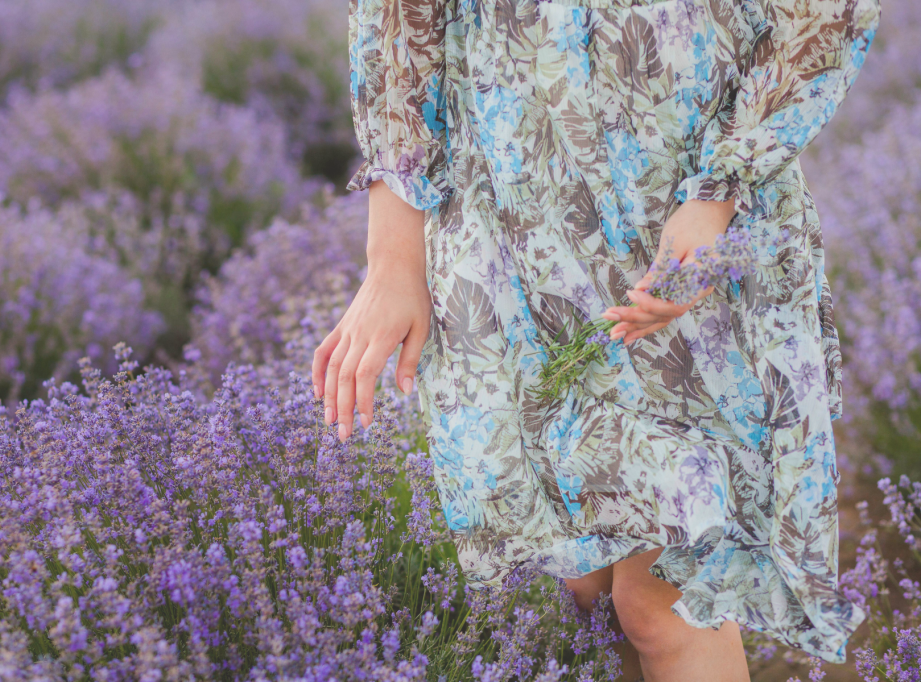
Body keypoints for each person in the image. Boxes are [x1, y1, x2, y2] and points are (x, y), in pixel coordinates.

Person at [312, 0, 881, 678]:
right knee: (578, 594)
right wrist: (392, 260)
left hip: (682, 219)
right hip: (507, 240)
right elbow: (398, 22)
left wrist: (718, 193)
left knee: (660, 605)